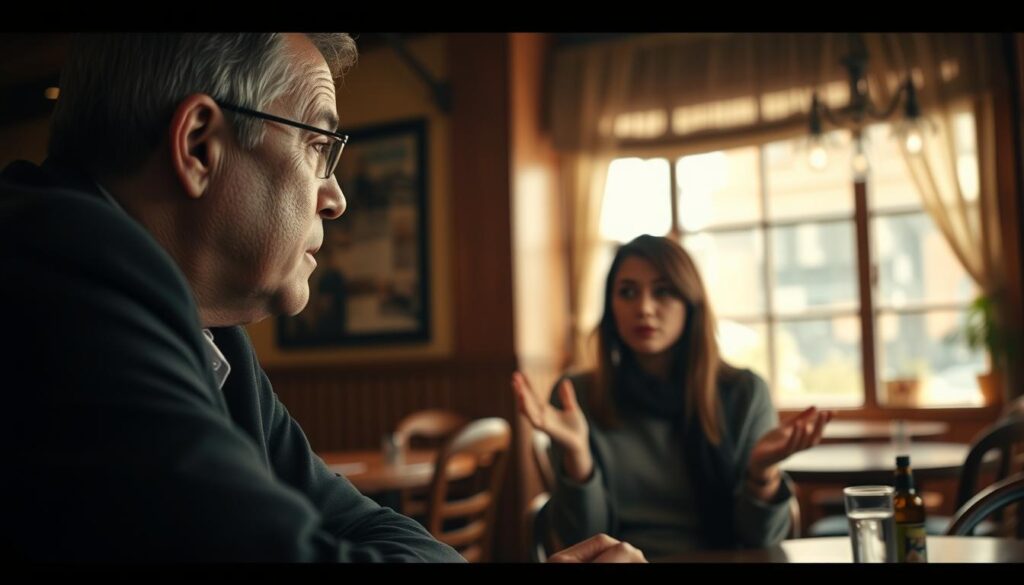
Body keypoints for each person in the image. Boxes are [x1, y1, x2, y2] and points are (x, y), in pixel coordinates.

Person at [0, 33, 643, 564]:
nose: (335, 198)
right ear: (199, 145)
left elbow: (364, 524)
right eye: (316, 146)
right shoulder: (55, 286)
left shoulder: (216, 340)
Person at [513, 234, 833, 559]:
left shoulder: (744, 394)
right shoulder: (577, 395)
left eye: (663, 291)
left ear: (691, 304)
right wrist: (577, 454)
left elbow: (761, 540)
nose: (644, 308)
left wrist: (761, 473)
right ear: (611, 307)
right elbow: (579, 540)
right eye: (627, 292)